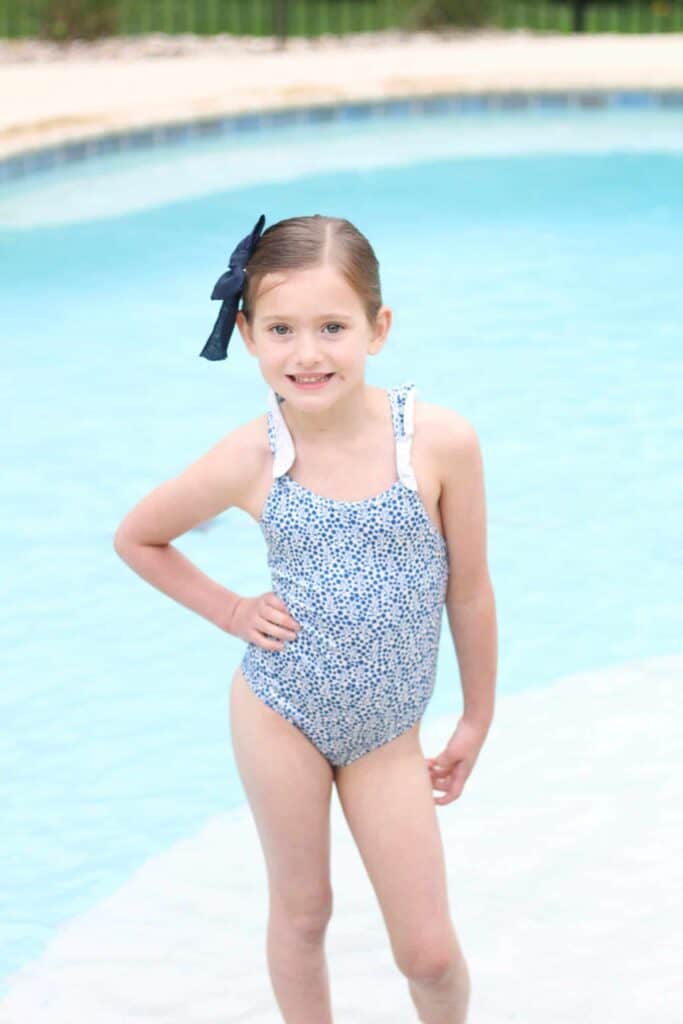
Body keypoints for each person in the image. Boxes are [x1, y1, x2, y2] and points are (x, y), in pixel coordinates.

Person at [113, 213, 498, 1024]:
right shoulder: (251, 455)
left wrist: (474, 715)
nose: (307, 353)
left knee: (426, 952)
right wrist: (230, 609)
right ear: (248, 334)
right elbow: (139, 537)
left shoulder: (438, 444)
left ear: (377, 328)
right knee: (303, 913)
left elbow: (468, 589)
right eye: (281, 329)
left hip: (388, 734)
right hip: (280, 713)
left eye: (332, 326)